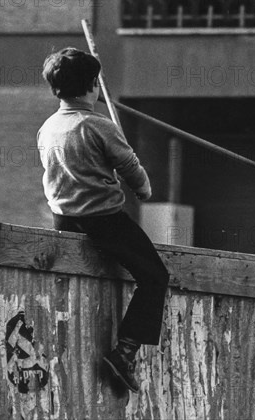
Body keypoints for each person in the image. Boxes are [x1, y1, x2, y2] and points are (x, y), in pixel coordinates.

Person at [37, 47, 170, 393]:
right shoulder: (98, 124)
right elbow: (130, 167)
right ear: (93, 85)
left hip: (63, 221)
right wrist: (144, 190)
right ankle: (124, 353)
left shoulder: (48, 127)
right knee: (155, 276)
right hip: (104, 221)